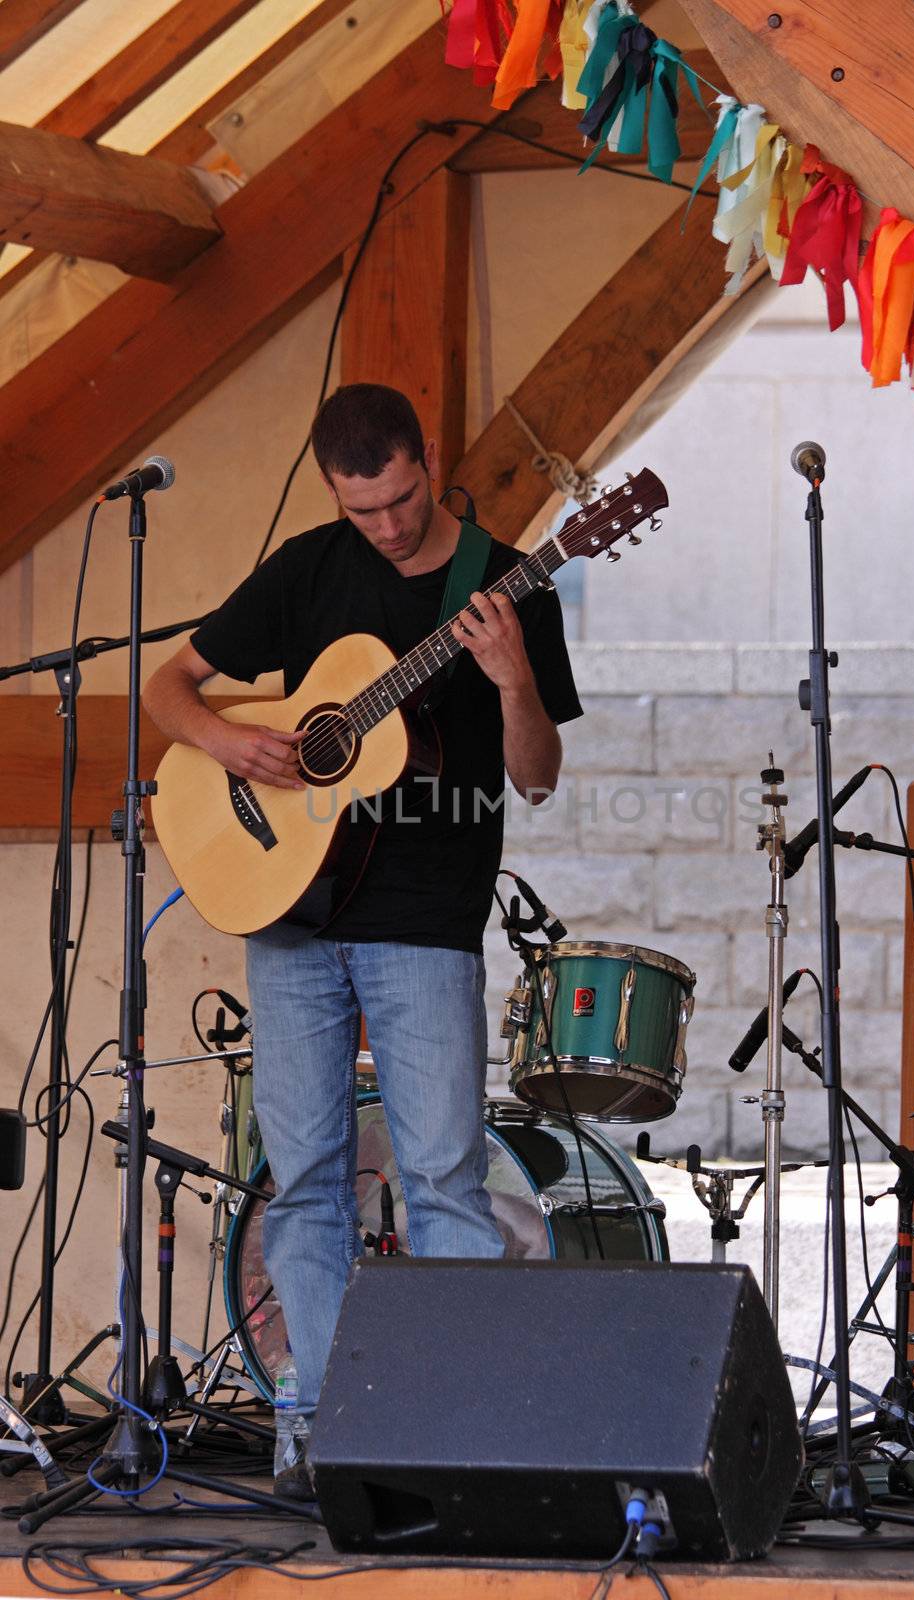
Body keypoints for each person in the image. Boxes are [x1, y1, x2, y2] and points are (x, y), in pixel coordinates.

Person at [142, 383, 582, 1499]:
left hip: (424, 925)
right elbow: (167, 685)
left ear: (426, 462)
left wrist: (512, 677)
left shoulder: (504, 580)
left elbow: (534, 775)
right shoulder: (305, 567)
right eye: (362, 509)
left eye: (398, 500)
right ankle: (318, 1428)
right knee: (305, 1180)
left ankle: (463, 1424)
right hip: (292, 920)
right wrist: (236, 743)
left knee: (440, 1175)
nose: (385, 528)